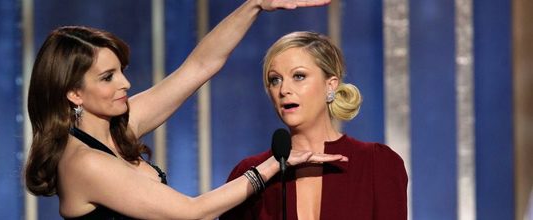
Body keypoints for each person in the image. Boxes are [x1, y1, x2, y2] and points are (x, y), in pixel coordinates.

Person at [22, 1, 349, 219]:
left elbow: (200, 66)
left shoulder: (120, 125)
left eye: (121, 70)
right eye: (108, 77)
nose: (125, 83)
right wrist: (273, 167)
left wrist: (254, 6)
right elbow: (194, 213)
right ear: (75, 93)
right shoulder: (84, 162)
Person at [221, 31, 408, 220]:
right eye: (275, 80)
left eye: (299, 76)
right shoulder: (250, 173)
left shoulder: (377, 164)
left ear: (331, 85)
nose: (284, 90)